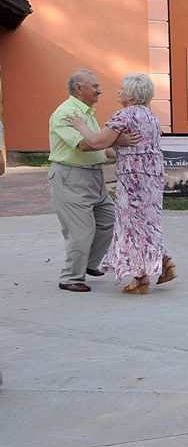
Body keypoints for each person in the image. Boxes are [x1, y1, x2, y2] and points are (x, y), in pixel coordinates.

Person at [67, 73, 175, 294]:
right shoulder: (152, 117)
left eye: (123, 89)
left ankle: (140, 278)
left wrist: (80, 125)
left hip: (133, 179)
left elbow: (97, 141)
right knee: (148, 223)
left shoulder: (124, 116)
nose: (119, 92)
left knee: (131, 225)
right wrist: (118, 141)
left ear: (132, 95)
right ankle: (165, 264)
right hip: (152, 178)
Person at [47, 70, 138, 293]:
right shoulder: (67, 114)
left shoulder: (86, 113)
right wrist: (118, 139)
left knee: (111, 219)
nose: (100, 90)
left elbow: (101, 147)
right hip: (72, 177)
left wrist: (123, 151)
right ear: (79, 88)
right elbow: (85, 145)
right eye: (94, 86)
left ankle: (88, 263)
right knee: (81, 230)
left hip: (94, 177)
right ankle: (70, 277)